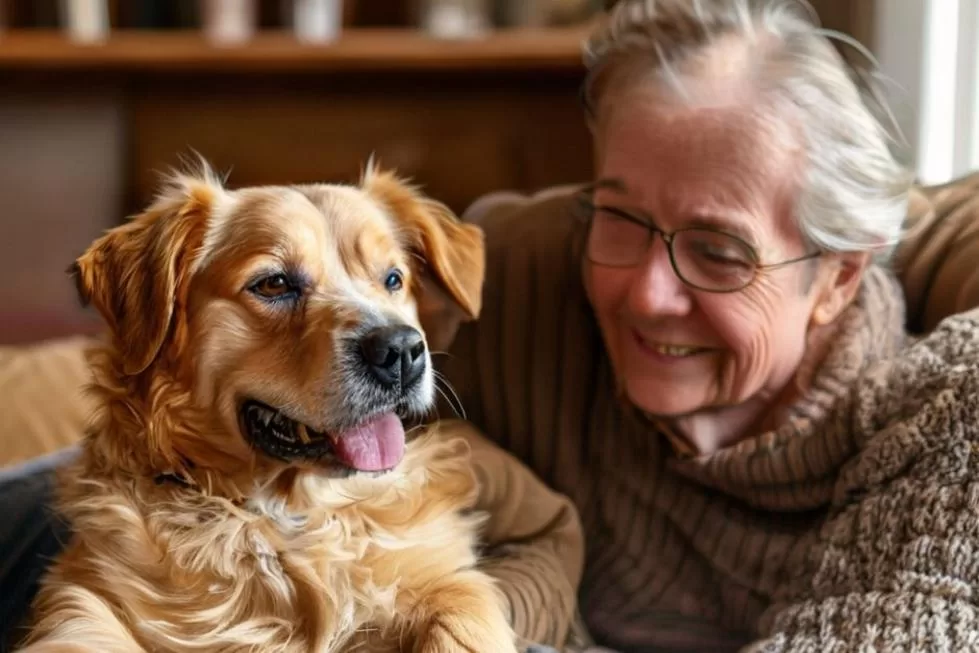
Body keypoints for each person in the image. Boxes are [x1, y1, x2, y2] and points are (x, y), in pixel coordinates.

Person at [5, 1, 979, 652]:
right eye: (620, 216)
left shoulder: (926, 428)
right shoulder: (528, 264)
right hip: (184, 510)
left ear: (837, 276)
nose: (646, 292)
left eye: (719, 251)